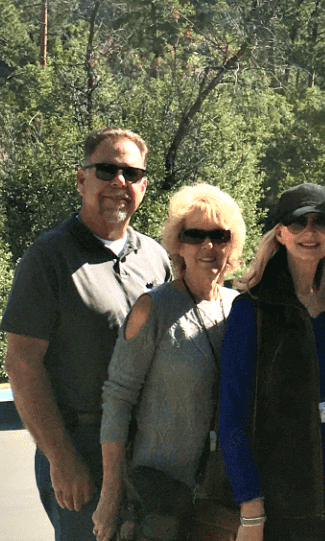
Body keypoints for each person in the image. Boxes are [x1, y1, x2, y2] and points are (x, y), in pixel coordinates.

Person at [1, 127, 170, 541]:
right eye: (107, 170)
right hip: (81, 449)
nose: (119, 182)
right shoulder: (49, 258)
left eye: (131, 174)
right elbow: (22, 364)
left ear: (143, 186)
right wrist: (61, 459)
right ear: (81, 179)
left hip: (150, 450)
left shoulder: (154, 257)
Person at [93, 183, 245, 541]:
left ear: (232, 244)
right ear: (178, 244)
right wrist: (110, 496)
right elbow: (118, 400)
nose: (208, 246)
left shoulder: (240, 308)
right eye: (195, 235)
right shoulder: (153, 308)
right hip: (160, 499)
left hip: (224, 498)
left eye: (219, 236)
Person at [219, 183, 325, 541]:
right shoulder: (252, 310)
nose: (310, 232)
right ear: (280, 233)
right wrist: (251, 508)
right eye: (299, 222)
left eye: (322, 222)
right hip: (283, 501)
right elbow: (232, 416)